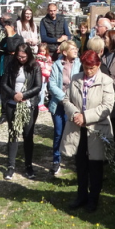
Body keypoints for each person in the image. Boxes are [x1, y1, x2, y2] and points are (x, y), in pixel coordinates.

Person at [62, 50, 115, 212]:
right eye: (85, 67)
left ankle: (93, 199)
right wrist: (75, 114)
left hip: (96, 129)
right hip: (78, 128)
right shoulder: (76, 78)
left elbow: (107, 106)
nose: (88, 71)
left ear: (98, 65)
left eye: (91, 68)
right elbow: (66, 99)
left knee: (95, 165)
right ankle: (81, 196)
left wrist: (85, 117)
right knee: (80, 164)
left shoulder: (106, 81)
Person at [1, 44, 43, 180]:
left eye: (23, 57)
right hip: (12, 104)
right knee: (13, 134)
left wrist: (24, 95)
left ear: (28, 55)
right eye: (19, 56)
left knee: (28, 135)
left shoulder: (35, 66)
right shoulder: (11, 65)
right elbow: (4, 83)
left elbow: (38, 86)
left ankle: (28, 165)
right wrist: (14, 95)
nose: (21, 59)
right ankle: (10, 166)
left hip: (29, 105)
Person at [48, 41, 81, 177]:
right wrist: (64, 98)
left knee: (74, 132)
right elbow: (52, 85)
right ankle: (56, 160)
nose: (76, 50)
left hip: (74, 104)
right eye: (72, 49)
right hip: (59, 104)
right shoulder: (57, 65)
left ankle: (76, 158)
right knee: (58, 132)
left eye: (76, 48)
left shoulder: (79, 64)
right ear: (65, 52)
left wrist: (70, 101)